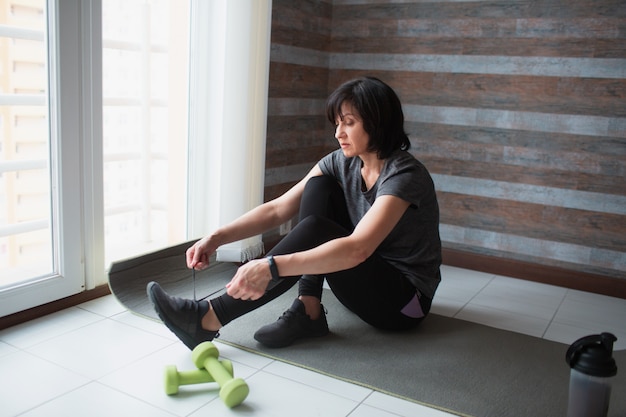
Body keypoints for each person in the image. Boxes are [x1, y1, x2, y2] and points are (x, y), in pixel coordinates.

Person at [147, 76, 442, 350]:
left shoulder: (404, 175)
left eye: (348, 123)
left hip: (404, 303)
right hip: (364, 282)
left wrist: (270, 266)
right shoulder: (342, 162)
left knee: (320, 229)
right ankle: (308, 308)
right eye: (337, 123)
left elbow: (358, 249)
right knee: (319, 186)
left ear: (378, 123)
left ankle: (208, 318)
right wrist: (217, 237)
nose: (338, 133)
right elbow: (278, 208)